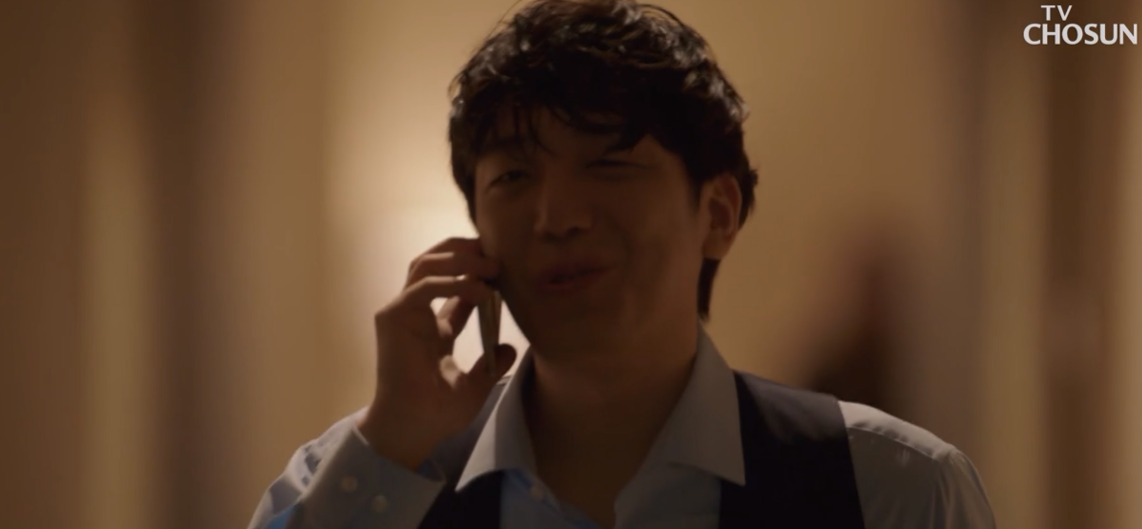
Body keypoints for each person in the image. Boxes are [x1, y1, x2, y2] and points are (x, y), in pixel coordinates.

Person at [247, 1, 996, 527]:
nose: (557, 216)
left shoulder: (889, 487)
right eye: (514, 176)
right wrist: (391, 443)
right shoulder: (362, 482)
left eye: (609, 163)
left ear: (718, 213)